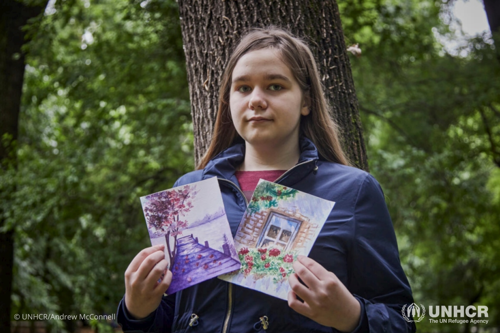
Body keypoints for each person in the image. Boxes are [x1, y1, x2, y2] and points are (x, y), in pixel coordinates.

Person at [117, 26, 416, 333]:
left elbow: (402, 320)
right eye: (243, 88)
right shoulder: (190, 189)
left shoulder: (353, 191)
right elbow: (175, 317)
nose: (256, 100)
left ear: (306, 101)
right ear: (229, 99)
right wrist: (137, 311)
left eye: (275, 86)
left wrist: (352, 316)